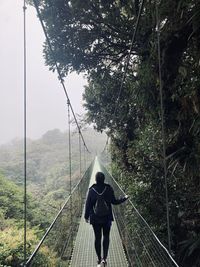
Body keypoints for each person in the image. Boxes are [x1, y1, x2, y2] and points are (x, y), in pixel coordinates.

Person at [84, 171, 128, 267]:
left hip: (95, 219)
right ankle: (105, 258)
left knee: (97, 238)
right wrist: (124, 198)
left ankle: (99, 259)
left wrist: (86, 217)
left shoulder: (91, 190)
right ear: (104, 179)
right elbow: (114, 201)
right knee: (106, 237)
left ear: (95, 179)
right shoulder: (108, 188)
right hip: (107, 218)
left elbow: (88, 205)